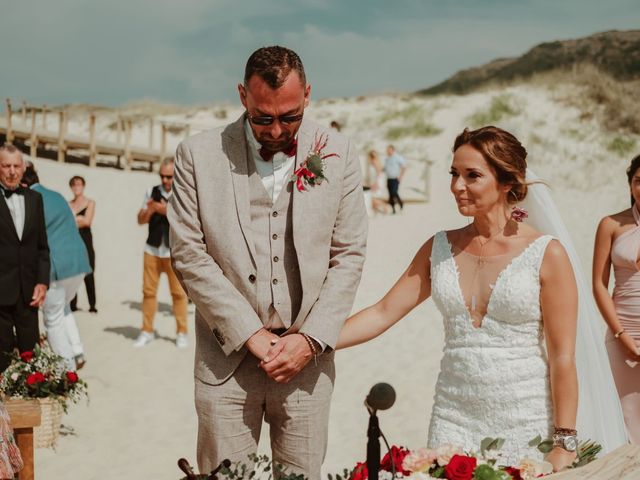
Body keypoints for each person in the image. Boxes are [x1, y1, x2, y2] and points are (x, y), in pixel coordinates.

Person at [335, 126, 606, 472]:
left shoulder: (546, 253)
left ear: (507, 181)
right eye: (454, 174)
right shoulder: (439, 248)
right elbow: (383, 312)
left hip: (526, 420)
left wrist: (564, 441)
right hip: (451, 421)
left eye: (472, 175)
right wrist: (312, 342)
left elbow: (563, 357)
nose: (457, 186)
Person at [167, 46, 367, 477]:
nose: (277, 129)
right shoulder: (197, 155)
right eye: (263, 117)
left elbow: (348, 254)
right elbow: (187, 253)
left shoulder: (340, 152)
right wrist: (249, 333)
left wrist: (310, 340)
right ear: (243, 96)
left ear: (308, 95)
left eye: (289, 116)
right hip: (226, 365)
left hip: (306, 367)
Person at [22, 164, 91, 371]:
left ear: (24, 183)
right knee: (63, 307)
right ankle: (77, 351)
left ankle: (66, 369)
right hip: (78, 262)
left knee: (52, 319)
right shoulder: (56, 195)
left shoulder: (30, 199)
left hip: (57, 266)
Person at [592, 154, 640, 444]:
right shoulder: (611, 224)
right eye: (638, 181)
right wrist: (622, 335)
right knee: (626, 417)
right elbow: (598, 284)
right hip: (622, 333)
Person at [0, 145, 49, 373]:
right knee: (3, 355)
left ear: (23, 167)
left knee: (31, 357)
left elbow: (42, 247)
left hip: (29, 292)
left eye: (16, 166)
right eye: (6, 166)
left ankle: (27, 408)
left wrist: (42, 282)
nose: (11, 171)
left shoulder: (35, 199)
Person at [134, 158, 189, 349]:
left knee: (179, 294)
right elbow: (140, 220)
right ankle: (146, 331)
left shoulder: (184, 192)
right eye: (162, 176)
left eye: (169, 176)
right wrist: (149, 209)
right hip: (152, 250)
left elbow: (186, 220)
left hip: (174, 251)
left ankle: (182, 333)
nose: (165, 180)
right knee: (148, 293)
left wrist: (165, 210)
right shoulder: (151, 192)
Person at [68, 175, 97, 313]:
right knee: (73, 273)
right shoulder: (68, 204)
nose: (76, 187)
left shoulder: (90, 202)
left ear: (83, 186)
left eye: (79, 184)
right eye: (74, 184)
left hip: (85, 240)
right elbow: (67, 223)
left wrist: (75, 220)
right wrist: (77, 219)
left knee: (89, 272)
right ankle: (72, 304)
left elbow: (87, 221)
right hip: (72, 241)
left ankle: (92, 305)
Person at [384, 144, 406, 214]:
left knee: (394, 192)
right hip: (389, 178)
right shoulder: (387, 159)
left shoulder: (397, 157)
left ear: (393, 150)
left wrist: (400, 176)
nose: (388, 151)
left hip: (395, 178)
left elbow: (403, 167)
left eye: (389, 150)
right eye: (387, 150)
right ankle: (393, 209)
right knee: (390, 194)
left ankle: (401, 204)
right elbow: (386, 169)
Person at [366, 150, 389, 215]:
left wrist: (376, 184)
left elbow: (379, 174)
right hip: (374, 182)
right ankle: (376, 212)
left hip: (377, 182)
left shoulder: (375, 162)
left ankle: (385, 206)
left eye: (373, 156)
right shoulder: (372, 162)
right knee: (372, 198)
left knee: (372, 198)